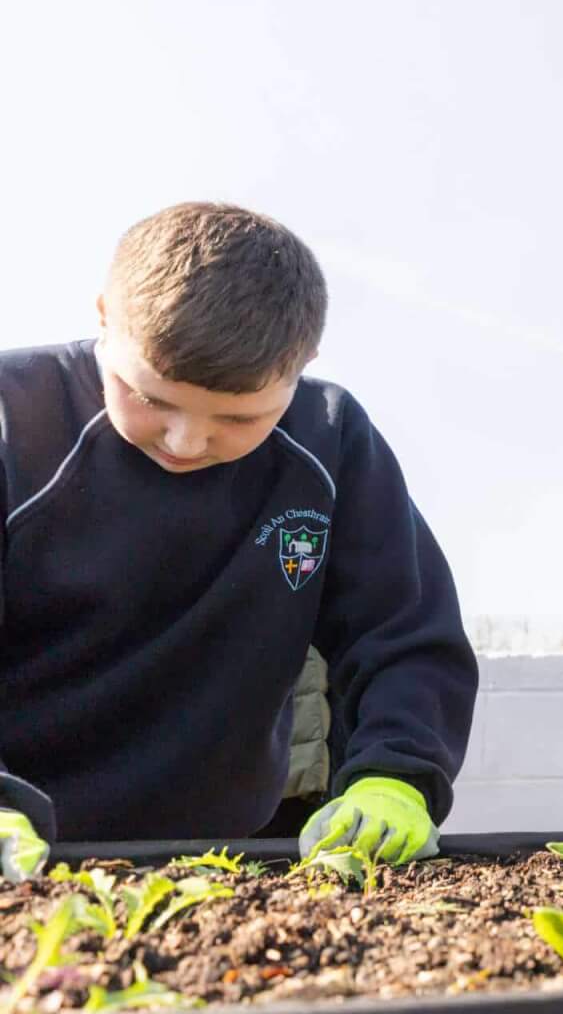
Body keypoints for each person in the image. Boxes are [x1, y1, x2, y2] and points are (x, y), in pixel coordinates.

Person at [0, 202, 475, 882]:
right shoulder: (15, 418)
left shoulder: (330, 441)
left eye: (237, 416)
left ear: (302, 364)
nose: (186, 441)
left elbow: (404, 632)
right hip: (25, 856)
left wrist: (395, 777)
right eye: (151, 398)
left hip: (231, 860)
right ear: (104, 313)